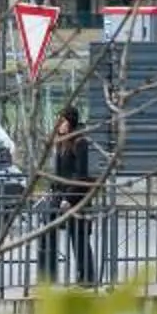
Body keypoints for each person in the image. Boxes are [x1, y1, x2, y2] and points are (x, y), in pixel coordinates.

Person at [50, 104, 96, 285]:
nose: (59, 125)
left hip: (77, 199)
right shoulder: (62, 143)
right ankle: (78, 276)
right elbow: (61, 173)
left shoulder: (79, 142)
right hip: (63, 196)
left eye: (62, 121)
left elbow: (80, 175)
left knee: (80, 238)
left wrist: (69, 198)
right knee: (69, 237)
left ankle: (87, 278)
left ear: (70, 122)